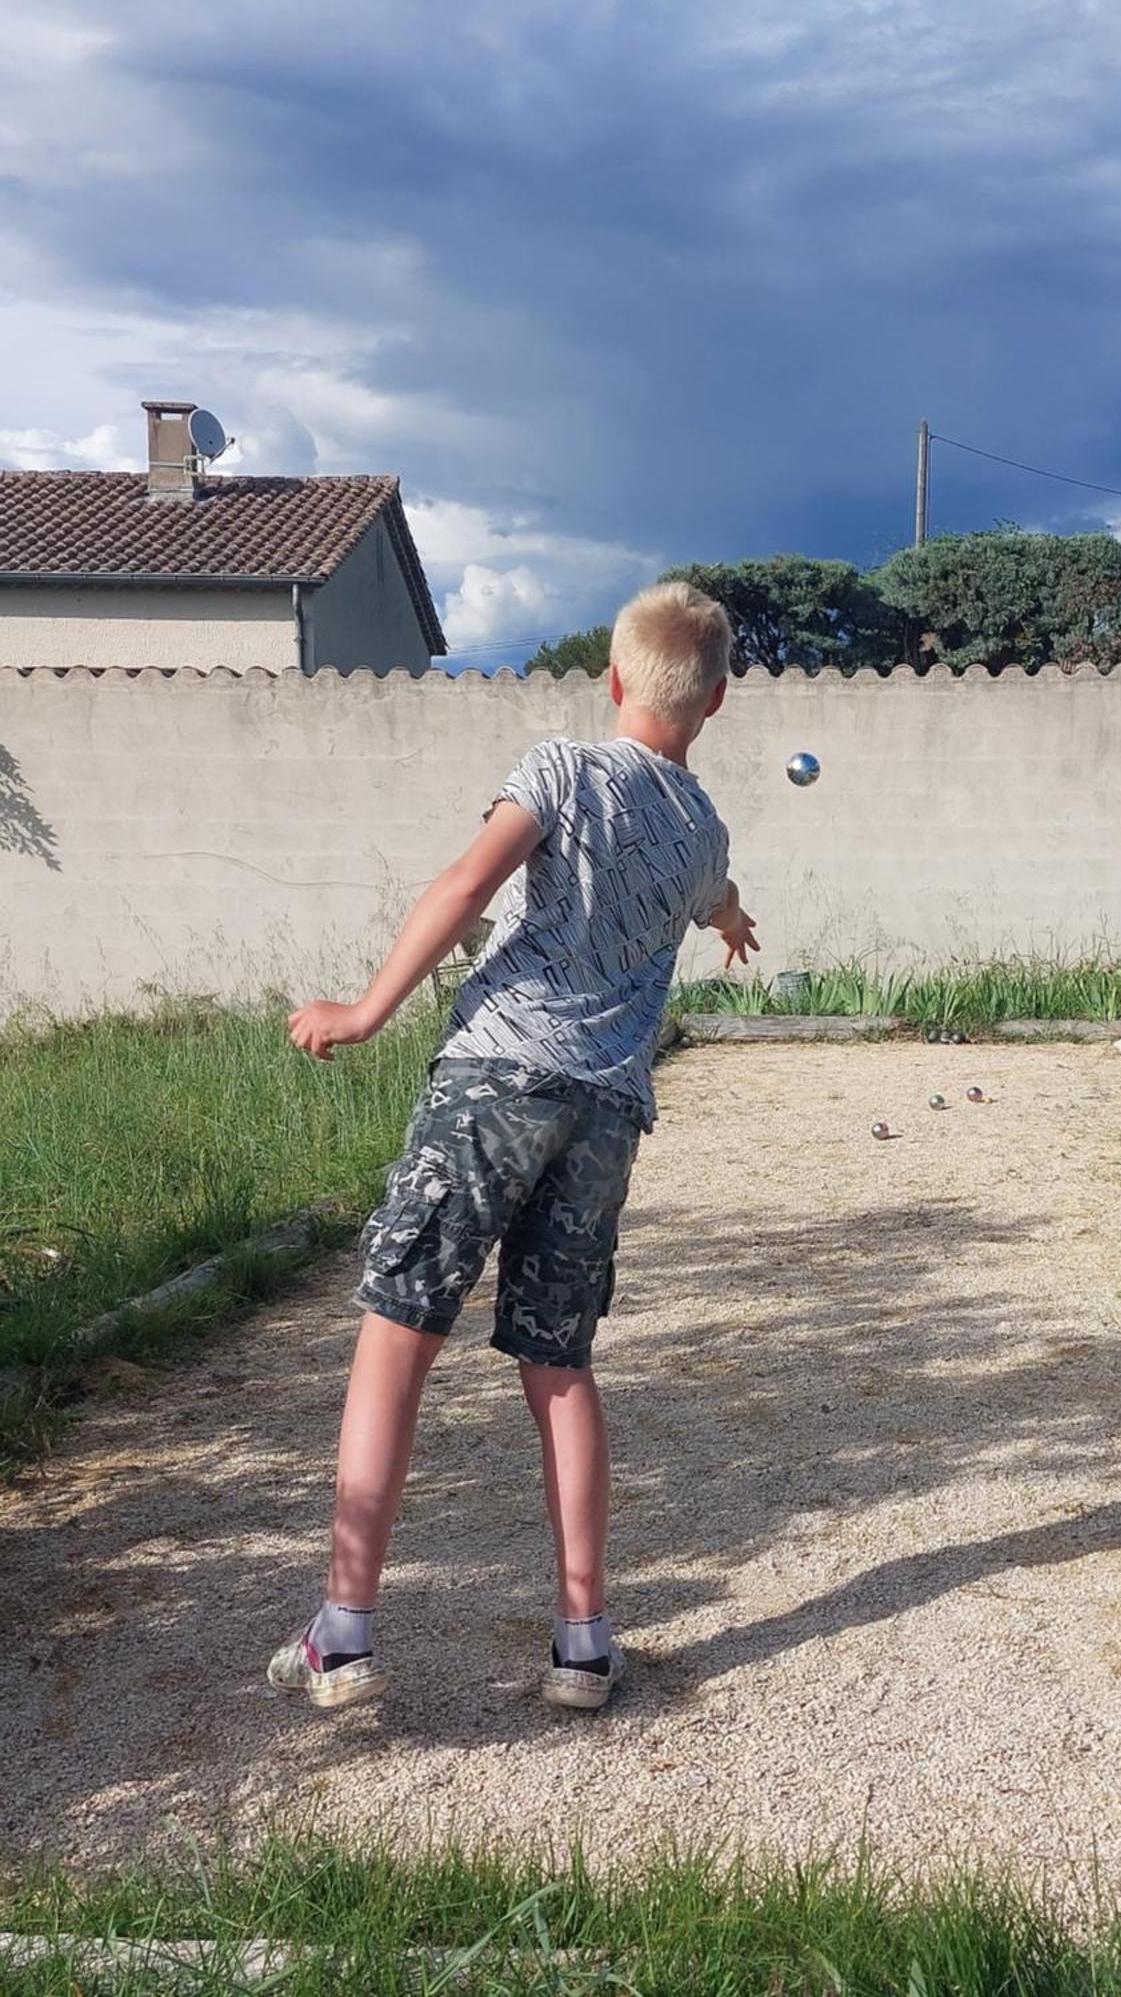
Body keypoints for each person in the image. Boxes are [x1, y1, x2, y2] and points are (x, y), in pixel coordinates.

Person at [269, 580, 758, 1713]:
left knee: (398, 1334)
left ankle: (344, 1632)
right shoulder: (701, 827)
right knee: (562, 1363)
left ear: (615, 677)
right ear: (717, 702)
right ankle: (583, 1639)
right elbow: (717, 890)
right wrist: (729, 920)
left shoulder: (562, 768)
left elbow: (467, 881)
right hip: (603, 1111)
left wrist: (365, 1008)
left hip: (494, 1077)